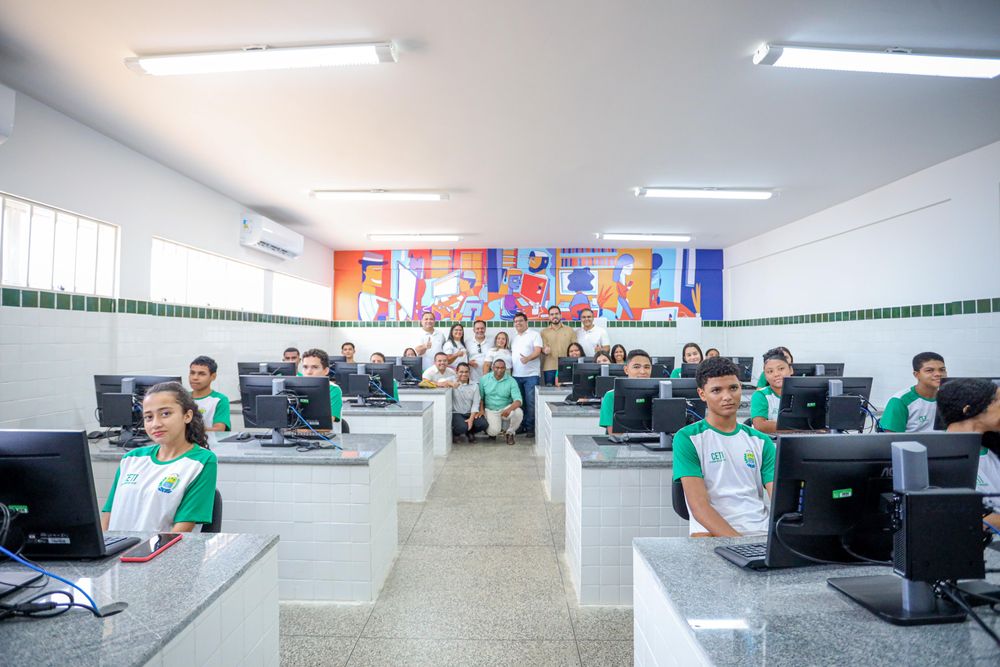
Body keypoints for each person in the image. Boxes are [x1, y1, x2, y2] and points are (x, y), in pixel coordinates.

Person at [673, 357, 775, 537]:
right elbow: (699, 507)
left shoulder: (761, 441)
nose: (727, 396)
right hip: (711, 534)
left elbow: (779, 499)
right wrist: (738, 543)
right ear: (702, 394)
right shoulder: (688, 438)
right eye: (716, 390)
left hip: (760, 531)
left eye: (733, 388)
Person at [101, 382, 218, 533]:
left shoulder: (202, 461)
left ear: (187, 416)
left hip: (160, 553)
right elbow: (108, 514)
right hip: (116, 552)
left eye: (165, 414)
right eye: (148, 417)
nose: (155, 424)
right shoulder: (131, 458)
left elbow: (182, 529)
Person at [938, 378, 1000, 529]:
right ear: (969, 410)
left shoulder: (992, 450)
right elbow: (959, 521)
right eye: (998, 401)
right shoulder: (939, 458)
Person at [880, 352, 947, 433]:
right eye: (929, 370)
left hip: (944, 444)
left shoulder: (949, 398)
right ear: (916, 374)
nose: (938, 374)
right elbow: (891, 439)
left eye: (942, 370)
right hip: (910, 445)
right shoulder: (900, 401)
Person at [599, 349, 653, 434]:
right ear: (626, 370)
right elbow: (614, 434)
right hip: (623, 445)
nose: (643, 371)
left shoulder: (659, 395)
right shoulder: (611, 396)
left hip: (653, 444)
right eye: (636, 367)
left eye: (647, 367)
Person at [511, 312, 543, 436]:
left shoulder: (534, 334)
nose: (518, 323)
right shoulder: (514, 337)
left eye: (520, 321)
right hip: (516, 375)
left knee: (531, 403)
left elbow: (538, 351)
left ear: (526, 322)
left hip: (531, 375)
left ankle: (530, 428)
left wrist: (528, 358)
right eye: (516, 321)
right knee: (520, 402)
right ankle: (521, 426)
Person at [479, 359, 523, 444]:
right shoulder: (484, 379)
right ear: (492, 368)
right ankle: (495, 428)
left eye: (502, 368)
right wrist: (482, 410)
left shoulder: (511, 381)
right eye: (497, 367)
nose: (499, 370)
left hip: (505, 409)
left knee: (518, 412)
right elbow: (481, 398)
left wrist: (510, 409)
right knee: (493, 432)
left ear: (505, 368)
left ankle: (510, 433)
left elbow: (518, 400)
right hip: (490, 409)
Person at [750, 348, 793, 434]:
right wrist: (799, 427)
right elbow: (760, 425)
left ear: (791, 370)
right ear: (765, 376)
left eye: (781, 369)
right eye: (770, 371)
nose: (776, 374)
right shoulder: (761, 395)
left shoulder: (802, 394)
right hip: (770, 443)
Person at [187, 356, 230, 432]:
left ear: (213, 377)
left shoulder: (219, 400)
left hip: (209, 443)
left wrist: (188, 430)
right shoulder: (181, 397)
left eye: (202, 374)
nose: (195, 377)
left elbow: (219, 430)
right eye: (192, 373)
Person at [301, 348, 343, 422]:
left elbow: (326, 423)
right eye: (305, 367)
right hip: (292, 432)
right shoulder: (293, 388)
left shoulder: (333, 390)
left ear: (326, 370)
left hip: (323, 433)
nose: (308, 372)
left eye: (315, 367)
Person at [451, 362, 487, 443]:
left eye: (466, 372)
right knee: (462, 427)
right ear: (456, 372)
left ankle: (470, 432)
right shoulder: (452, 383)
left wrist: (471, 419)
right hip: (457, 413)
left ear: (469, 373)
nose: (464, 374)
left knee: (483, 424)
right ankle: (456, 434)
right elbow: (441, 381)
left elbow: (475, 404)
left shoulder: (475, 385)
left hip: (470, 412)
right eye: (461, 372)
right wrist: (450, 383)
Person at [541, 305, 576, 386]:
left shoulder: (570, 330)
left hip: (566, 366)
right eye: (552, 314)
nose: (554, 316)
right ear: (549, 317)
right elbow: (542, 348)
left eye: (556, 314)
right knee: (550, 393)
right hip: (549, 367)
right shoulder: (543, 332)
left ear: (560, 315)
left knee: (566, 392)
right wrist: (544, 350)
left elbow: (575, 348)